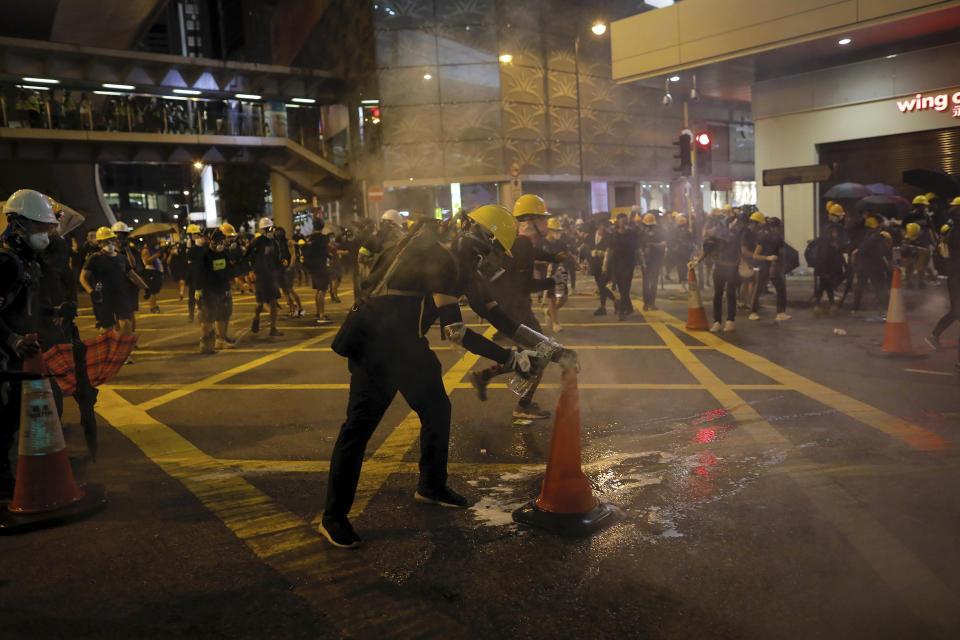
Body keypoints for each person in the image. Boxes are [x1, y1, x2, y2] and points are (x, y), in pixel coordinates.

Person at [320, 205, 566, 548]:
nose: (490, 260)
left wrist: (551, 348)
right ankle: (333, 517)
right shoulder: (439, 257)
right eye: (491, 249)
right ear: (480, 238)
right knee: (359, 428)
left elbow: (499, 317)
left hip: (408, 344)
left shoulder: (454, 258)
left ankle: (431, 486)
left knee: (437, 410)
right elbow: (455, 331)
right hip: (376, 346)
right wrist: (510, 356)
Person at [472, 194, 566, 422]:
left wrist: (554, 257)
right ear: (531, 220)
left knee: (531, 355)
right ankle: (522, 406)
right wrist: (553, 282)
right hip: (515, 309)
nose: (546, 223)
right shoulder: (523, 244)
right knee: (543, 354)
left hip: (512, 306)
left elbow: (534, 256)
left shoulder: (519, 241)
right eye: (542, 218)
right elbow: (526, 285)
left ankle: (484, 375)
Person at [0, 190, 61, 497]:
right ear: (18, 226)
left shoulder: (29, 262)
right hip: (5, 355)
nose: (45, 236)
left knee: (31, 411)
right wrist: (12, 340)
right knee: (5, 419)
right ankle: (2, 480)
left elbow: (27, 305)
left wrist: (54, 312)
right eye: (39, 228)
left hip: (23, 355)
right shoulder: (5, 262)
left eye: (47, 229)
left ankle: (39, 465)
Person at [80, 226, 144, 336]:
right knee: (107, 329)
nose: (109, 243)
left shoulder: (121, 258)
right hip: (104, 297)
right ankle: (106, 348)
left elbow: (132, 274)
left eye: (111, 240)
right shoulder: (95, 258)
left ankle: (122, 351)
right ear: (99, 243)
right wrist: (91, 291)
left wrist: (145, 287)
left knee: (126, 325)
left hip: (120, 295)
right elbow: (83, 277)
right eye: (105, 241)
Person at [691, 217, 743, 333]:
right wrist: (695, 262)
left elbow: (739, 255)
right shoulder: (710, 242)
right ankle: (717, 321)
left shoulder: (732, 241)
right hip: (719, 270)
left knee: (730, 294)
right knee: (717, 295)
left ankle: (730, 321)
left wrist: (734, 265)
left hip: (732, 270)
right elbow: (704, 253)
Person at [924, 222, 959, 375]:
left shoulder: (953, 232)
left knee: (956, 312)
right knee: (956, 311)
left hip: (955, 277)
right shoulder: (956, 234)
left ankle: (934, 335)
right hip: (957, 277)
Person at [196, 228, 238, 354]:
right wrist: (198, 291)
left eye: (220, 240)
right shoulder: (204, 255)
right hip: (209, 291)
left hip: (223, 289)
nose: (218, 243)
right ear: (209, 241)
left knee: (223, 316)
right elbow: (198, 274)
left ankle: (221, 340)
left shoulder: (224, 253)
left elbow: (228, 270)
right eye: (215, 240)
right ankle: (204, 342)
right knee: (207, 319)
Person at [245, 217, 284, 336]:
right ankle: (256, 317)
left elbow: (277, 258)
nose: (270, 230)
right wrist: (251, 271)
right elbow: (248, 257)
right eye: (268, 229)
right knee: (260, 303)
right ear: (263, 230)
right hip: (260, 276)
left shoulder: (274, 242)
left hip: (271, 276)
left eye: (271, 228)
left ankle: (273, 328)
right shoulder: (257, 242)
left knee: (273, 302)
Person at [748, 214, 790, 322]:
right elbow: (755, 255)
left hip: (774, 266)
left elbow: (780, 253)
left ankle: (781, 313)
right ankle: (753, 312)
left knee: (781, 289)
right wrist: (768, 258)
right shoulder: (764, 237)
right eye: (778, 227)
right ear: (773, 227)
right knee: (758, 289)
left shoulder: (778, 238)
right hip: (764, 266)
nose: (780, 229)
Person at [604, 213, 640, 319]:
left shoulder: (632, 233)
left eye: (626, 220)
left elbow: (637, 249)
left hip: (629, 264)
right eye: (622, 220)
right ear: (618, 221)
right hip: (616, 264)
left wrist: (642, 264)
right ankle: (628, 307)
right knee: (621, 287)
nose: (625, 222)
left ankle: (621, 310)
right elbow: (608, 250)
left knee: (625, 287)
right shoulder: (613, 235)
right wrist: (604, 265)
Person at [304, 218, 333, 324]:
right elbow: (326, 250)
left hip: (313, 268)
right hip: (321, 267)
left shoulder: (310, 237)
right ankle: (321, 316)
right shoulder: (323, 238)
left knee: (318, 290)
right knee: (322, 290)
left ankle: (318, 313)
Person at [638, 213, 666, 312]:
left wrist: (652, 245)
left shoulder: (659, 231)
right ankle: (647, 303)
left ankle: (651, 302)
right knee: (647, 282)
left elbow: (663, 244)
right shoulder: (641, 233)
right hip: (647, 260)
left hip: (655, 259)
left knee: (652, 282)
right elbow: (638, 248)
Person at [274, 226, 304, 318]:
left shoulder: (288, 242)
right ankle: (292, 309)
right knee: (285, 291)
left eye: (279, 232)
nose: (278, 234)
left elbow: (293, 255)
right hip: (280, 269)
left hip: (287, 269)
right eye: (276, 232)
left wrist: (290, 266)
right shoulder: (276, 243)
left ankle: (300, 308)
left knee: (291, 290)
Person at [588, 217, 615, 315]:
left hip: (605, 264)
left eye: (605, 225)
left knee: (602, 284)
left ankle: (614, 302)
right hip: (595, 264)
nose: (604, 227)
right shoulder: (592, 236)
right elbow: (588, 247)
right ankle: (604, 306)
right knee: (600, 285)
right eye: (602, 225)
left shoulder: (609, 236)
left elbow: (610, 251)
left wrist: (604, 262)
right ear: (598, 226)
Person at [184, 224, 205, 322]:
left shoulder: (202, 243)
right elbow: (188, 259)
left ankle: (202, 313)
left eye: (193, 234)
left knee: (202, 295)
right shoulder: (190, 244)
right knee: (192, 296)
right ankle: (191, 314)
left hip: (202, 273)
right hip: (193, 274)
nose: (192, 236)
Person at [140, 237, 164, 313]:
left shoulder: (152, 249)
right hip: (150, 272)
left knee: (155, 290)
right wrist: (156, 255)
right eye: (154, 240)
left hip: (155, 272)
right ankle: (152, 307)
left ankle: (154, 305)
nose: (156, 241)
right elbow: (147, 261)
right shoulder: (146, 250)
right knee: (152, 291)